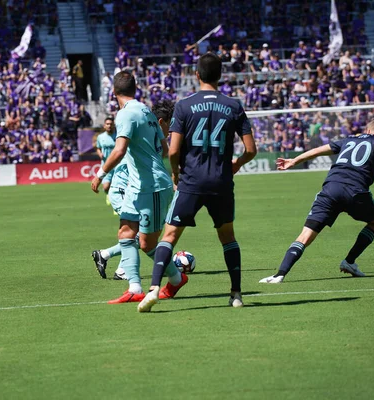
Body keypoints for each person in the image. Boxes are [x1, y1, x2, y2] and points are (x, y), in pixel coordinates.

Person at [137, 53, 258, 313]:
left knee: (168, 236)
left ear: (197, 75)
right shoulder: (234, 105)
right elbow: (250, 150)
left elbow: (172, 150)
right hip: (221, 183)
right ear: (221, 75)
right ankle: (236, 294)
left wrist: (176, 173)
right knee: (228, 238)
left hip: (192, 181)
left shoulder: (184, 105)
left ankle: (154, 290)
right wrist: (235, 165)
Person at [259, 118, 374, 284]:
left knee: (305, 235)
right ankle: (349, 261)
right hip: (355, 192)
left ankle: (279, 274)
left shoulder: (348, 139)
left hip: (331, 189)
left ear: (367, 130)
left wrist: (294, 161)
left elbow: (317, 150)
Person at [91, 74, 182, 304]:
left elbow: (119, 150)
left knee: (146, 244)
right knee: (125, 233)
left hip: (151, 186)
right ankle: (134, 288)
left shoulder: (125, 114)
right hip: (137, 185)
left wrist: (100, 173)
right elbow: (163, 147)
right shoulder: (147, 111)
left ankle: (176, 278)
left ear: (114, 93)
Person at [95, 117, 116, 196]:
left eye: (111, 124)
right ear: (104, 126)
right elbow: (98, 148)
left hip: (117, 165)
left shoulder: (118, 136)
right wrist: (100, 153)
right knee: (106, 187)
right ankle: (108, 195)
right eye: (107, 124)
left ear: (113, 125)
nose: (109, 126)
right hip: (105, 165)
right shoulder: (100, 137)